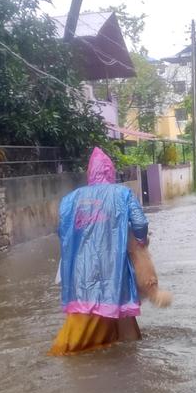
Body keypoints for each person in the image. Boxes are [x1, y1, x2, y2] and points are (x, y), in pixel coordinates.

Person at [50, 148, 150, 356]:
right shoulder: (122, 193)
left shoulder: (70, 200)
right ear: (110, 172)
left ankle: (118, 350)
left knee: (87, 307)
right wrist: (140, 242)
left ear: (89, 173)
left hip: (79, 267)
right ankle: (77, 350)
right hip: (113, 264)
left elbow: (62, 233)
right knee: (117, 304)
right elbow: (140, 223)